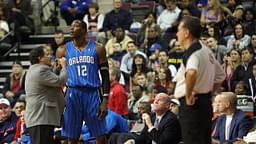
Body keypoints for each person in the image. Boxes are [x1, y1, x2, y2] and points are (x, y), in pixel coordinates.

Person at [56, 19, 110, 144]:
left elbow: (106, 76)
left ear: (84, 30)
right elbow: (57, 76)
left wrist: (105, 100)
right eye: (71, 26)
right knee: (72, 137)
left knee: (100, 135)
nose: (71, 29)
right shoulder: (62, 50)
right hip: (72, 93)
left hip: (92, 93)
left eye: (76, 26)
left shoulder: (98, 48)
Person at [174, 16, 226, 144]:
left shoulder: (193, 52)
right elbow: (221, 75)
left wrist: (188, 94)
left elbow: (191, 72)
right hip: (204, 103)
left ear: (186, 33)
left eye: (179, 30)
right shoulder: (206, 50)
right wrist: (208, 91)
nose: (176, 34)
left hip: (192, 107)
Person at [24, 46, 67, 144]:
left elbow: (51, 80)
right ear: (40, 58)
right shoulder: (41, 70)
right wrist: (65, 67)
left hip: (40, 118)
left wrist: (57, 70)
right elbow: (60, 81)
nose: (50, 56)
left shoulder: (34, 69)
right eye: (47, 54)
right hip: (41, 117)